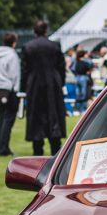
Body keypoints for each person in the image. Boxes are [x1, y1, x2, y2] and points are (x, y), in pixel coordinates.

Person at [21, 19, 67, 156]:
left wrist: (23, 88)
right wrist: (61, 83)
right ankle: (55, 150)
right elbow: (61, 67)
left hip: (34, 86)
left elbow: (24, 70)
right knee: (54, 116)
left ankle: (37, 152)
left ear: (34, 31)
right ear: (46, 30)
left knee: (36, 117)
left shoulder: (28, 47)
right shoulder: (55, 46)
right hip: (53, 85)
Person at [0, 33, 21, 157]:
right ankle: (4, 148)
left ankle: (1, 146)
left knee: (2, 118)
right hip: (10, 88)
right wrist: (16, 88)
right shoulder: (12, 55)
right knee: (8, 119)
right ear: (13, 42)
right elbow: (14, 73)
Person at [73, 49, 93, 113]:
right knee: (84, 94)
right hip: (83, 77)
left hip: (77, 77)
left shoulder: (76, 61)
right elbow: (90, 67)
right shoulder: (85, 61)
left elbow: (73, 69)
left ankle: (78, 109)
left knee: (78, 94)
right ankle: (83, 109)